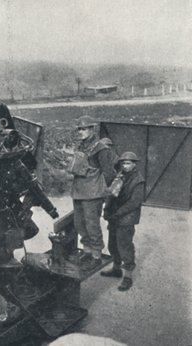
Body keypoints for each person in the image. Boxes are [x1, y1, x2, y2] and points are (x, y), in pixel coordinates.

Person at [69, 115, 116, 271]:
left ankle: (96, 255)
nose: (80, 132)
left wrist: (103, 193)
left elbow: (109, 173)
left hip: (93, 194)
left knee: (92, 224)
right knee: (79, 223)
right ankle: (87, 251)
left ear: (91, 129)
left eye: (83, 129)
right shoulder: (82, 146)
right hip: (78, 191)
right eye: (79, 129)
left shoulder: (101, 148)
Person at [101, 151, 145, 291]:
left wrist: (117, 214)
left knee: (125, 246)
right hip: (114, 216)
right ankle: (116, 269)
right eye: (123, 163)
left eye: (128, 163)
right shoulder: (120, 175)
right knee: (112, 244)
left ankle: (128, 277)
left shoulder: (138, 180)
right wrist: (107, 209)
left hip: (126, 218)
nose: (125, 166)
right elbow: (111, 194)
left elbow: (134, 203)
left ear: (134, 164)